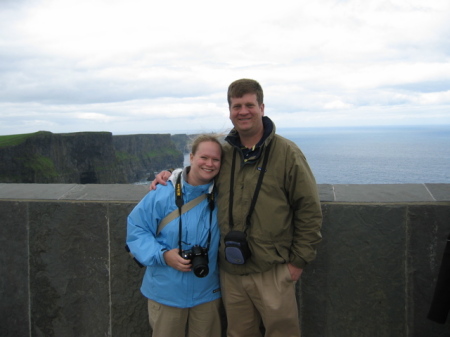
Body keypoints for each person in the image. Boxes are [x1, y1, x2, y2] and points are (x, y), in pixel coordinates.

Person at [151, 79, 323, 337]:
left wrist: (297, 262)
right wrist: (171, 176)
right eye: (236, 106)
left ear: (262, 107)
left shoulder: (287, 153)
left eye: (249, 105)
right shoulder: (225, 152)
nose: (243, 111)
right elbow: (199, 174)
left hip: (273, 269)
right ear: (230, 111)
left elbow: (308, 209)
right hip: (231, 271)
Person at [127, 134, 223, 337]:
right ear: (191, 157)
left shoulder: (224, 196)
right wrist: (163, 256)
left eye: (216, 159)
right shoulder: (162, 193)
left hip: (207, 292)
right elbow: (137, 230)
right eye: (203, 157)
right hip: (166, 293)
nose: (209, 163)